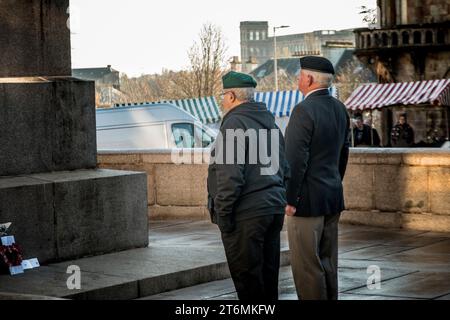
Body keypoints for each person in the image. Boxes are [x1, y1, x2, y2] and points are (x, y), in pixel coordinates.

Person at [207, 71, 290, 301]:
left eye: (223, 95)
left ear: (232, 96)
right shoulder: (269, 121)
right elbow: (285, 168)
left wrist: (223, 217)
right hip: (272, 209)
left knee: (250, 285)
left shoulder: (234, 122)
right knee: (268, 279)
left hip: (247, 215)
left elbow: (229, 177)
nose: (222, 100)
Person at [284, 56, 350, 300]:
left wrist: (290, 199)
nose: (298, 79)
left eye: (300, 75)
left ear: (309, 79)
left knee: (307, 268)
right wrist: (334, 183)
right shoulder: (340, 108)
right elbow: (343, 154)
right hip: (332, 197)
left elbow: (294, 160)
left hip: (306, 202)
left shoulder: (303, 110)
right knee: (328, 263)